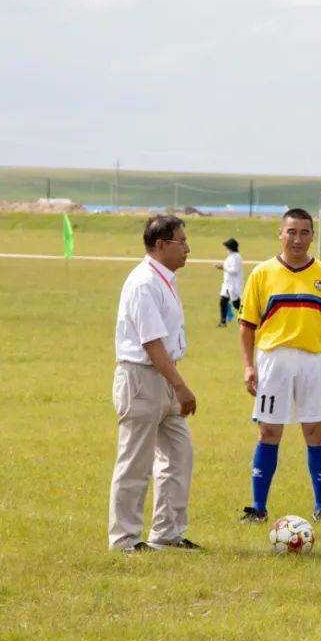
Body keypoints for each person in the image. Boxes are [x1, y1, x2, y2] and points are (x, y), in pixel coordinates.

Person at [238, 209, 321, 524]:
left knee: (315, 430)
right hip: (273, 361)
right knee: (269, 431)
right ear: (280, 233)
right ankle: (258, 508)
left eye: (304, 232)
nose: (297, 239)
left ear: (312, 236)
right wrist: (248, 366)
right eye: (291, 231)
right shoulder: (262, 273)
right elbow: (246, 326)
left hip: (313, 361)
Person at [109, 214, 199, 552]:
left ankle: (167, 533)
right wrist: (180, 386)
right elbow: (151, 342)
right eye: (182, 242)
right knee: (135, 461)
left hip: (164, 374)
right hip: (143, 378)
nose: (188, 249)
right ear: (161, 245)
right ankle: (125, 540)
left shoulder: (165, 278)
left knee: (179, 456)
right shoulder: (144, 282)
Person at [215, 237, 244, 327]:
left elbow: (234, 270)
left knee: (236, 304)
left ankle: (246, 319)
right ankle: (223, 322)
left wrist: (223, 267)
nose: (225, 248)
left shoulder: (236, 257)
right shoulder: (231, 256)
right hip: (227, 284)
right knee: (223, 301)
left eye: (227, 246)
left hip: (234, 285)